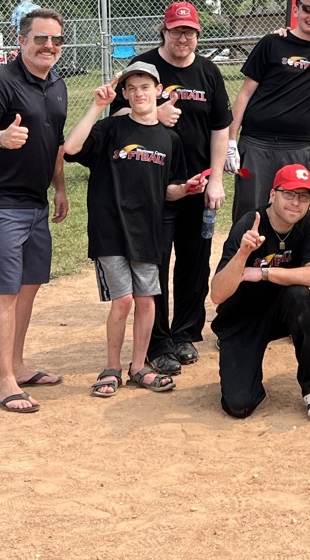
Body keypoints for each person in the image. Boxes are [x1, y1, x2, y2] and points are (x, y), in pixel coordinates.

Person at [64, 61, 205, 397]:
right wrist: (97, 107)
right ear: (124, 94)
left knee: (146, 301)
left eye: (146, 87)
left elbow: (169, 188)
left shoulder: (170, 139)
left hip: (148, 230)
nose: (140, 93)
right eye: (133, 88)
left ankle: (139, 367)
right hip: (110, 228)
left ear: (159, 91)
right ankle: (112, 367)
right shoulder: (111, 128)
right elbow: (70, 148)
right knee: (124, 301)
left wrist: (186, 188)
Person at [0, 9, 70, 414]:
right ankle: (5, 382)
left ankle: (19, 365)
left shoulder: (56, 84)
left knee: (29, 286)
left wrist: (59, 188)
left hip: (35, 203)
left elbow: (56, 142)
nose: (49, 47)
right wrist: (2, 138)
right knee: (6, 292)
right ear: (21, 40)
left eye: (57, 40)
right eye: (41, 39)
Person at [115, 2, 230, 379]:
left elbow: (220, 129)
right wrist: (152, 115)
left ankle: (185, 332)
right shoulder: (144, 68)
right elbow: (114, 119)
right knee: (155, 263)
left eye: (190, 32)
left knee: (195, 259)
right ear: (163, 31)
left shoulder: (209, 72)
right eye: (176, 30)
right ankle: (159, 340)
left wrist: (216, 178)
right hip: (153, 187)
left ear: (198, 34)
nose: (183, 37)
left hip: (197, 184)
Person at [210, 165, 310, 420]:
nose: (296, 203)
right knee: (239, 406)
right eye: (289, 194)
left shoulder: (307, 222)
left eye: (303, 196)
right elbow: (217, 295)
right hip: (243, 316)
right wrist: (243, 254)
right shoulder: (249, 224)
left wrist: (265, 273)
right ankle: (244, 363)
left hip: (282, 311)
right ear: (272, 194)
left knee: (301, 297)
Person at [226, 0, 310, 224]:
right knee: (248, 214)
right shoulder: (272, 43)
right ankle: (240, 261)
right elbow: (244, 94)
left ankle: (284, 263)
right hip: (256, 144)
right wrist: (231, 141)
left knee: (291, 214)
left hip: (296, 147)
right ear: (295, 11)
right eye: (307, 9)